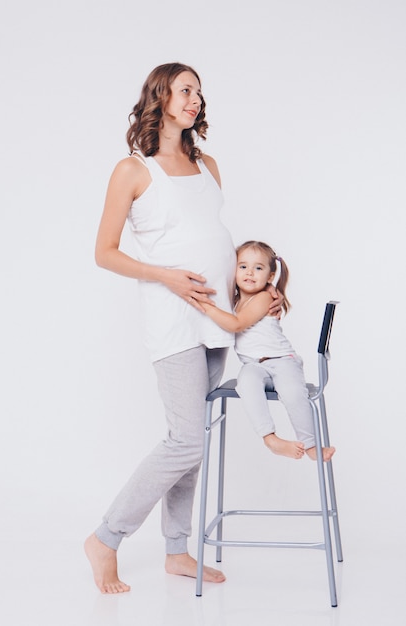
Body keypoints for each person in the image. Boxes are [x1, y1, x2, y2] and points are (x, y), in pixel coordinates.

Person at [84, 63, 283, 594]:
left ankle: (176, 551)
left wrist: (260, 293)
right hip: (174, 317)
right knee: (185, 441)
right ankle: (106, 537)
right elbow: (104, 253)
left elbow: (217, 240)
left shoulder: (208, 164)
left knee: (194, 437)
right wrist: (166, 277)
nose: (195, 100)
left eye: (199, 92)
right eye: (186, 90)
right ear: (161, 97)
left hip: (219, 319)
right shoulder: (133, 169)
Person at [200, 240, 336, 462]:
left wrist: (205, 306)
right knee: (246, 383)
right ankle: (270, 438)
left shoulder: (264, 297)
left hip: (283, 361)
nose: (250, 273)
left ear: (270, 276)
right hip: (254, 365)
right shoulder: (233, 300)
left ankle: (311, 446)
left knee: (292, 393)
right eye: (243, 266)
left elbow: (236, 324)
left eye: (258, 268)